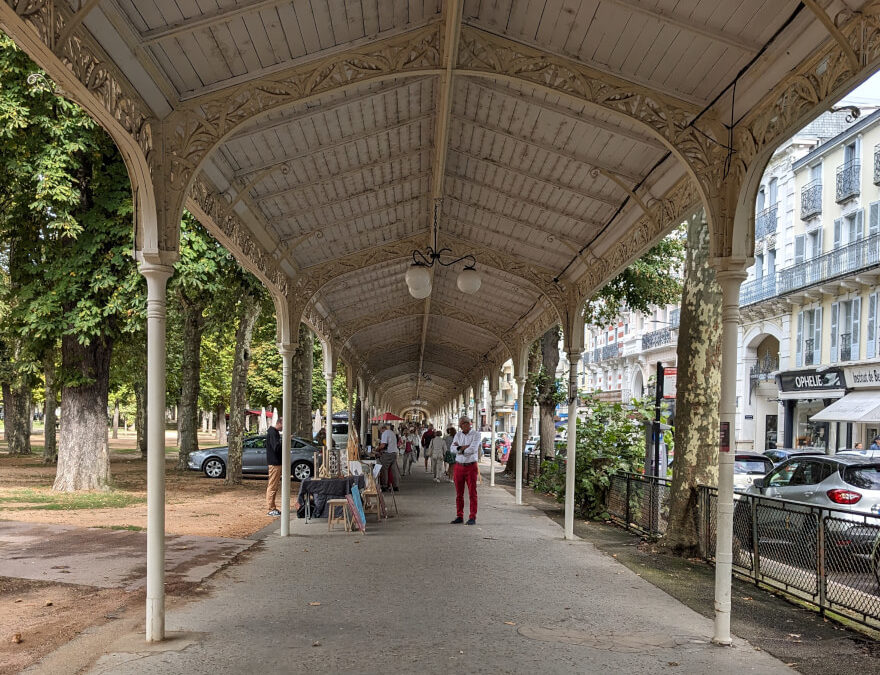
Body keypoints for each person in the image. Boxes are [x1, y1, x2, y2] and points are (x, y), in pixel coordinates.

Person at [450, 416, 480, 525]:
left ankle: (472, 516)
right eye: (462, 424)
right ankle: (459, 515)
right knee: (459, 493)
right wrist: (463, 448)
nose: (463, 425)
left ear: (469, 423)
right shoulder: (458, 435)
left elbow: (473, 449)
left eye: (465, 423)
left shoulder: (476, 434)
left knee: (472, 492)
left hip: (471, 466)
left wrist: (460, 448)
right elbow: (452, 449)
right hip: (459, 466)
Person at [265, 416, 283, 517]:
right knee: (272, 485)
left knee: (274, 486)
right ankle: (271, 508)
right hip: (274, 463)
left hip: (276, 462)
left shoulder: (274, 433)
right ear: (279, 423)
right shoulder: (273, 433)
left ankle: (272, 507)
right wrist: (285, 442)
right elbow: (276, 447)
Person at [377, 423, 401, 491]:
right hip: (394, 453)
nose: (380, 432)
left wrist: (377, 449)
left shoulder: (385, 433)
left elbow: (383, 445)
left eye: (380, 430)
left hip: (388, 454)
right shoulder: (391, 432)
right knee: (394, 470)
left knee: (384, 469)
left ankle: (384, 486)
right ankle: (396, 486)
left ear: (382, 428)